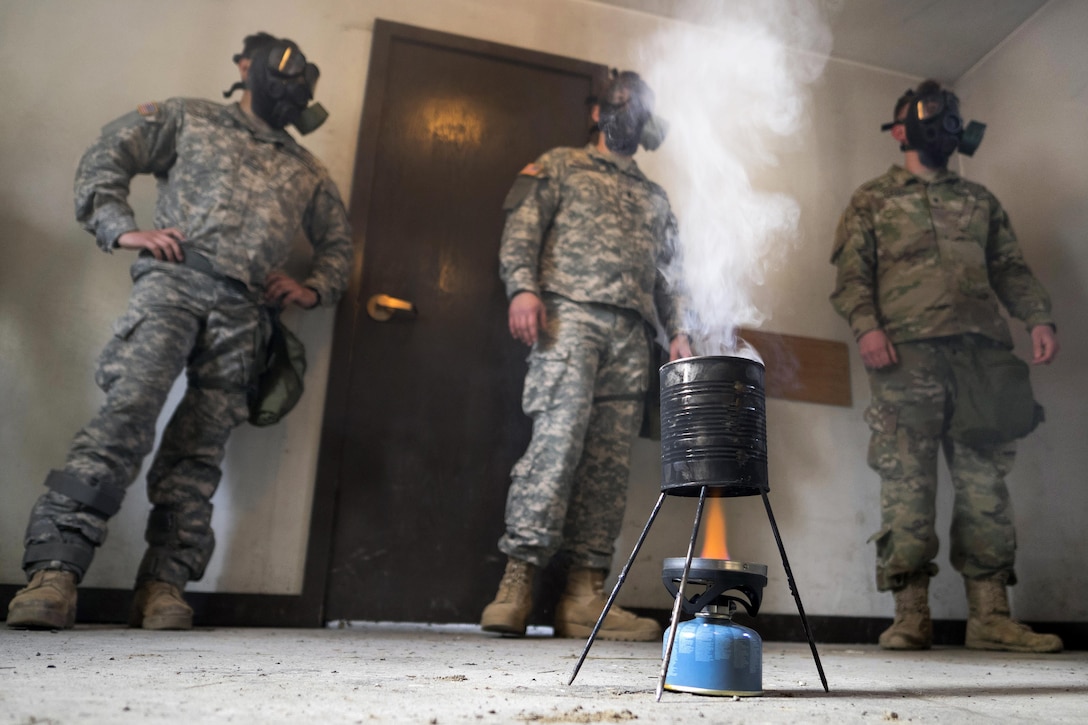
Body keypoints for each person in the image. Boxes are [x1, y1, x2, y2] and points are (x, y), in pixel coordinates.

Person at [6, 32, 353, 631]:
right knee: (125, 418)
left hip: (245, 314)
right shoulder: (188, 118)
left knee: (199, 450)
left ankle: (163, 585)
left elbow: (339, 244)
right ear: (245, 66)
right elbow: (106, 156)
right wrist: (122, 228)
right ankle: (54, 573)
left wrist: (313, 287)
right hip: (172, 288)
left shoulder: (306, 168)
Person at [830, 80, 1061, 653]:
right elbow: (852, 276)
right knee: (907, 486)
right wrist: (868, 327)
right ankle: (910, 616)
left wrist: (1037, 318)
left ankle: (990, 617)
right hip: (905, 357)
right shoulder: (872, 199)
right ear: (902, 130)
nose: (944, 129)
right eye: (930, 120)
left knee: (985, 486)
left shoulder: (980, 200)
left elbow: (1008, 266)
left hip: (981, 359)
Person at [480, 71, 692, 641]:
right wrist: (523, 287)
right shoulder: (559, 165)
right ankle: (517, 585)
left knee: (608, 466)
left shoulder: (655, 196)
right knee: (555, 446)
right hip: (567, 319)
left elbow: (671, 276)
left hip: (631, 336)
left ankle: (584, 596)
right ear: (597, 112)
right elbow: (521, 230)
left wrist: (679, 330)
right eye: (617, 104)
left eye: (636, 107)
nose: (626, 114)